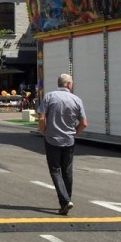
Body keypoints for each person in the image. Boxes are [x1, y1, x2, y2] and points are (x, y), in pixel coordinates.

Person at [37, 73, 87, 215]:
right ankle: (67, 199)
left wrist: (44, 131)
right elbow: (84, 123)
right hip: (69, 140)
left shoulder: (49, 97)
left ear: (59, 83)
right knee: (67, 170)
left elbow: (41, 118)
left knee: (55, 170)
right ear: (69, 84)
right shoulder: (76, 100)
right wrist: (74, 132)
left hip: (52, 139)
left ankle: (65, 201)